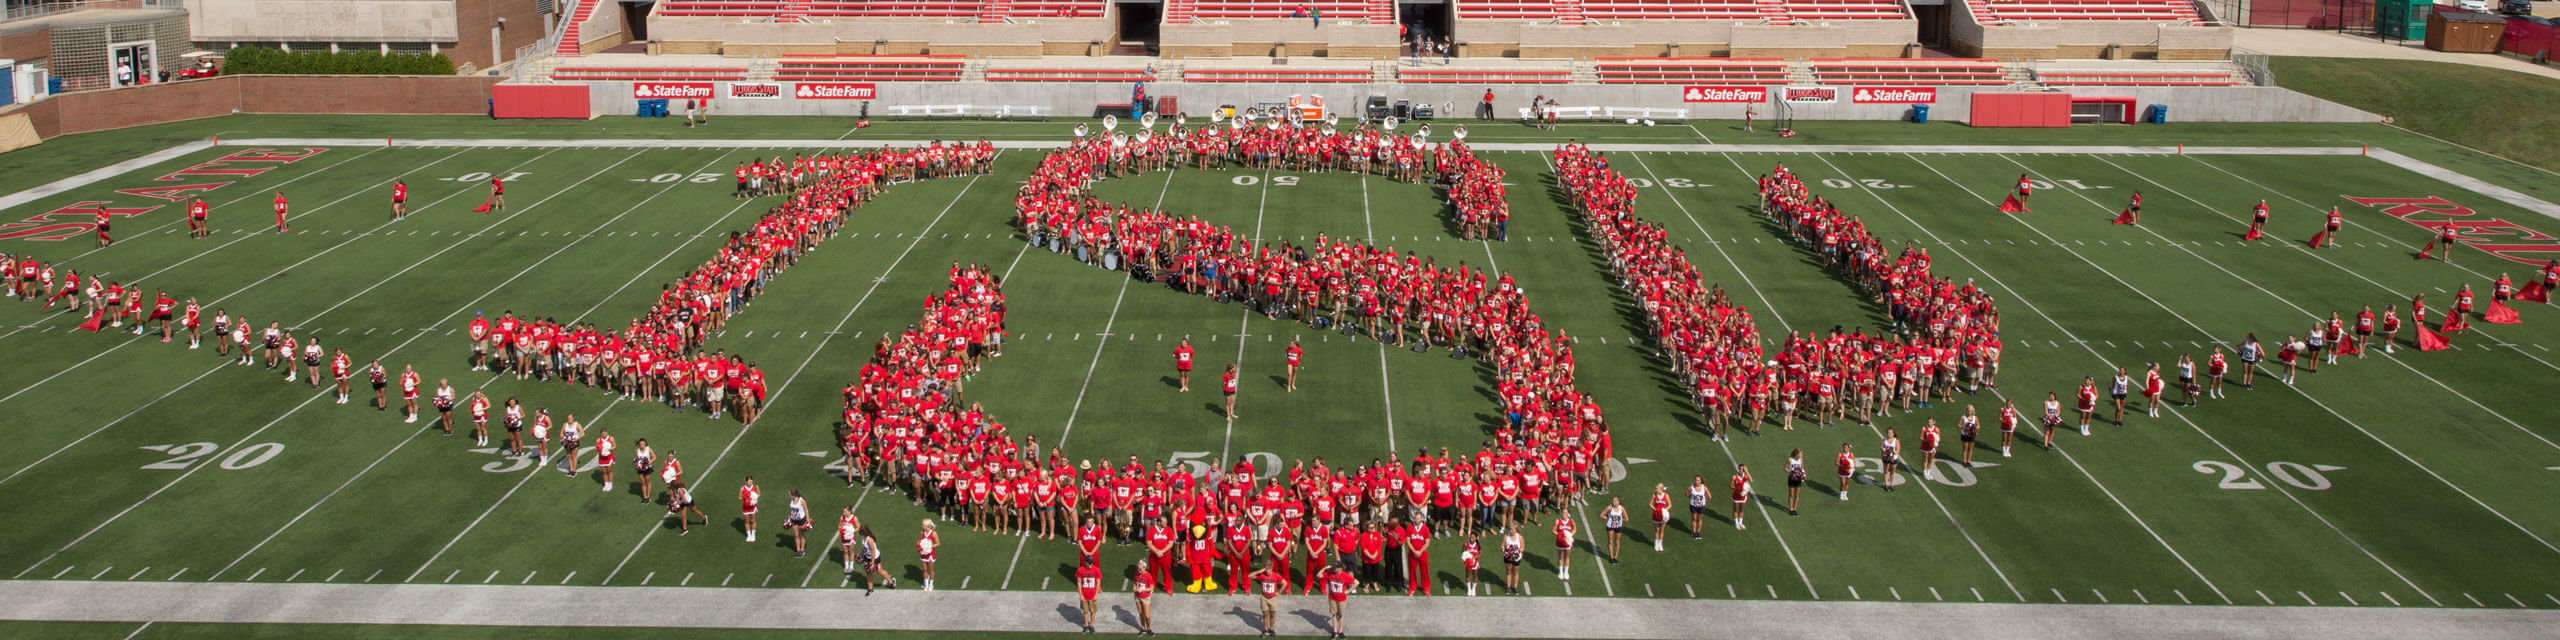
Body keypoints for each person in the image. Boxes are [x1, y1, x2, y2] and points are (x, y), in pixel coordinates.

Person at [1252, 563, 1285, 637]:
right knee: (1265, 614)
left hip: (1272, 598)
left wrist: (1279, 593)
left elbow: (1284, 583)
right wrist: (1259, 571)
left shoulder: (1276, 576)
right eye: (1266, 569)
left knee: (1272, 614)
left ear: (1271, 569)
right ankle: (1265, 629)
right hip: (1264, 597)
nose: (1267, 571)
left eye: (1268, 569)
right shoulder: (1262, 575)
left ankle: (1272, 629)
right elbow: (1250, 576)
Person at [1324, 562, 1355, 636]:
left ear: (1340, 568)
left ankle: (1340, 631)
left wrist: (1348, 591)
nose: (1334, 569)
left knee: (1340, 615)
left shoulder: (1344, 575)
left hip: (1341, 599)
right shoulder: (1330, 573)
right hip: (1332, 598)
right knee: (1334, 614)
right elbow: (1319, 575)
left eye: (1335, 568)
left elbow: (1356, 582)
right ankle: (1334, 631)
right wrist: (1325, 568)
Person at [1134, 558, 1157, 636]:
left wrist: (1143, 590)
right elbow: (1135, 582)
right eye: (1138, 568)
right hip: (1137, 596)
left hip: (1145, 597)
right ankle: (1143, 628)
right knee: (1141, 614)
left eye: (1140, 569)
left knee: (1147, 616)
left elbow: (1152, 588)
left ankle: (1149, 628)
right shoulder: (1136, 573)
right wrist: (1134, 588)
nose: (1138, 570)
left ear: (1144, 568)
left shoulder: (1148, 576)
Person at [1549, 509, 1575, 580]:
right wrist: (1560, 535)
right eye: (1563, 512)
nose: (1564, 513)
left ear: (1568, 513)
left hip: (1568, 542)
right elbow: (1553, 530)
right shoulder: (1557, 521)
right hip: (1560, 542)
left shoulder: (1571, 521)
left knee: (1567, 557)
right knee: (1560, 557)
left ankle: (1566, 572)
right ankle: (1560, 572)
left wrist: (1569, 535)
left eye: (1566, 512)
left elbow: (1575, 529)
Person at [785, 489, 811, 557]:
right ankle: (798, 550)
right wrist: (788, 519)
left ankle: (802, 550)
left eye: (790, 495)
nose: (789, 496)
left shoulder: (801, 500)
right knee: (796, 535)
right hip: (793, 520)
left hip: (801, 520)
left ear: (793, 495)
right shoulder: (791, 500)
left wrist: (807, 519)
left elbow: (806, 509)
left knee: (801, 534)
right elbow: (791, 510)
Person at [1600, 496, 1625, 564]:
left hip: (1618, 526)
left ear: (1619, 502)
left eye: (1615, 501)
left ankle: (1616, 557)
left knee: (1617, 542)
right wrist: (1607, 518)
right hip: (1610, 526)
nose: (1613, 502)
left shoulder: (1621, 508)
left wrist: (1619, 520)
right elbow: (1601, 515)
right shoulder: (1609, 508)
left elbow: (1626, 518)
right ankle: (1611, 557)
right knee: (1610, 541)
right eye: (1613, 501)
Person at [1498, 524, 1523, 594]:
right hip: (1507, 557)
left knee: (1515, 572)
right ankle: (1508, 586)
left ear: (1516, 530)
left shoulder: (1520, 537)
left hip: (1516, 558)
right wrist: (1506, 551)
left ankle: (1515, 587)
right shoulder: (1506, 536)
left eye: (1512, 530)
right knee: (1508, 571)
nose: (1511, 531)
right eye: (1510, 530)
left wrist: (1516, 552)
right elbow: (1502, 546)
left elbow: (1522, 548)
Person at [916, 519, 939, 590]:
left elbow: (938, 543)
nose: (921, 526)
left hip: (930, 554)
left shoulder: (933, 533)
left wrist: (930, 546)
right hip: (923, 554)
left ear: (927, 526)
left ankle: (931, 584)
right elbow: (921, 541)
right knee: (925, 569)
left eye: (923, 525)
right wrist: (921, 546)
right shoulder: (922, 532)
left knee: (931, 570)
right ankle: (926, 584)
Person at [739, 476, 761, 543]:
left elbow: (759, 494)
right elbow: (739, 497)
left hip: (753, 506)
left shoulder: (755, 487)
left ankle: (753, 534)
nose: (750, 483)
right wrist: (744, 498)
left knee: (753, 520)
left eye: (751, 481)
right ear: (746, 482)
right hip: (745, 507)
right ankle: (748, 535)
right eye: (748, 482)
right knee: (747, 521)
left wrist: (755, 497)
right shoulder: (742, 488)